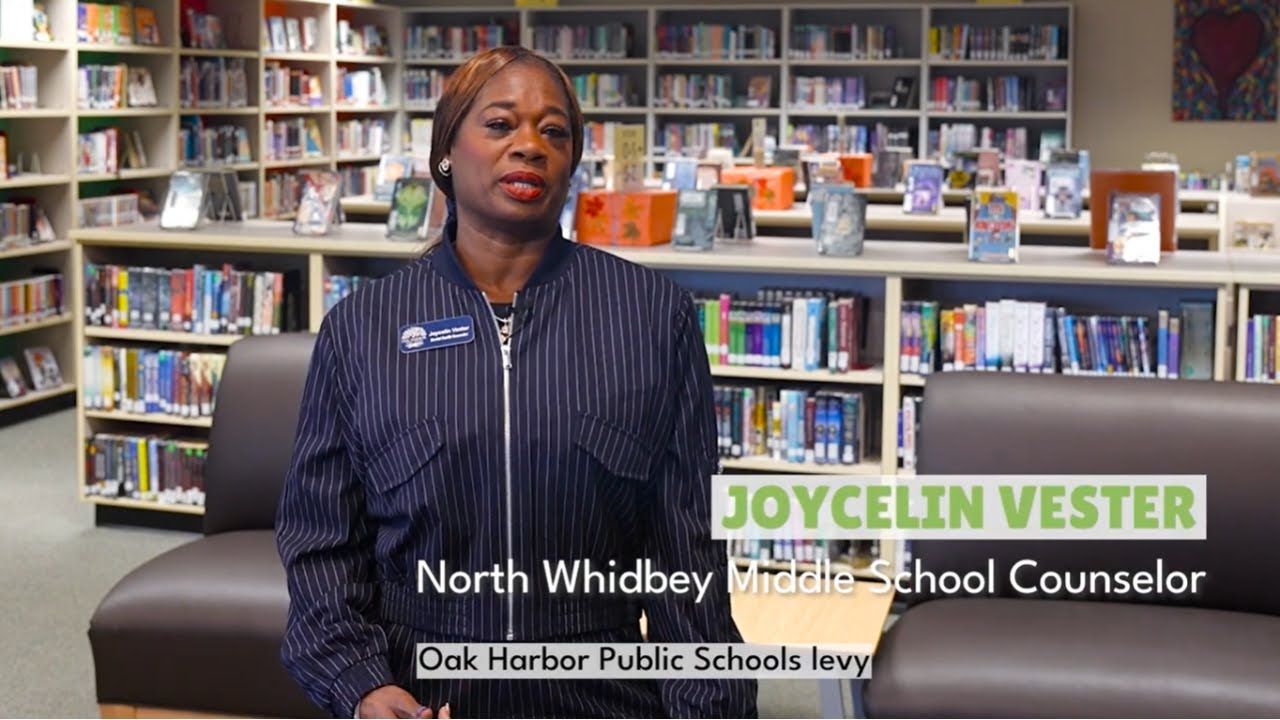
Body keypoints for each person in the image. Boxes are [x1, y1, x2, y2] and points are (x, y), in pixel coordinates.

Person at [275, 46, 757, 719]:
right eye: (500, 125)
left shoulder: (651, 316)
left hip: (601, 688)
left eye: (553, 131)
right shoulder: (364, 327)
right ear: (446, 152)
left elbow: (689, 553)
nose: (530, 145)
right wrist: (360, 684)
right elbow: (323, 542)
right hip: (422, 688)